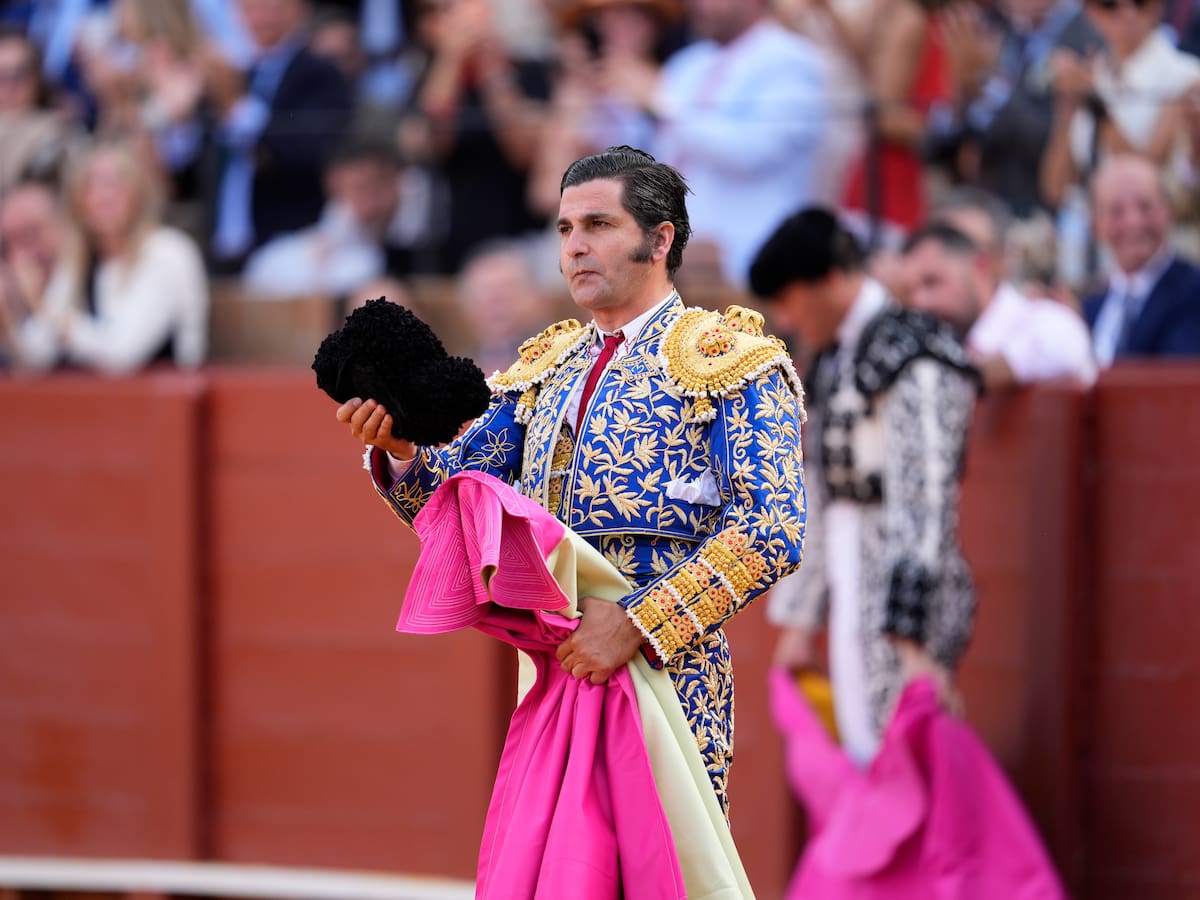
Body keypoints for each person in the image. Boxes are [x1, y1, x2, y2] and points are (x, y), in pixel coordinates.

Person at [335, 145, 808, 813]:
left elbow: (772, 530)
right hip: (556, 670)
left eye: (598, 225)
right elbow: (455, 504)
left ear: (659, 240)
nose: (575, 246)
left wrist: (638, 624)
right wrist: (402, 451)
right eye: (565, 229)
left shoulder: (731, 361)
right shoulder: (544, 368)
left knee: (663, 859)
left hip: (669, 674)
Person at [750, 206, 978, 766]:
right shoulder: (833, 358)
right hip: (853, 581)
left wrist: (915, 641)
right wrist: (801, 621)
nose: (784, 318)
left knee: (907, 756)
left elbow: (925, 502)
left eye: (789, 300)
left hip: (904, 594)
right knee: (865, 751)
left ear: (829, 279)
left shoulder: (913, 352)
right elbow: (822, 492)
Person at [650, 0, 828, 286]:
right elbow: (661, 155)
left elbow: (753, 150)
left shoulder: (791, 60)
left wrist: (665, 106)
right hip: (677, 259)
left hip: (752, 260)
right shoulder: (686, 64)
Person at [7, 140, 209, 373]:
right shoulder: (81, 261)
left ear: (139, 192)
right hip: (96, 394)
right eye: (91, 185)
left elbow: (122, 355)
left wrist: (45, 310)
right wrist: (12, 313)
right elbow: (38, 356)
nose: (103, 196)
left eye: (114, 183)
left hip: (165, 393)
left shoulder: (168, 252)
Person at [904, 206, 1097, 388]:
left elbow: (1060, 345)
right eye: (910, 290)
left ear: (980, 265)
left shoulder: (1042, 320)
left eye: (932, 282)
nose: (920, 301)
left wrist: (963, 373)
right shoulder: (924, 341)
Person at [1084, 153, 1200, 365]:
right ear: (1095, 224)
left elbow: (1176, 375)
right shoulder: (1092, 304)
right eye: (1116, 211)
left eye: (1146, 206)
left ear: (1169, 210)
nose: (1133, 222)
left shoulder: (1193, 291)